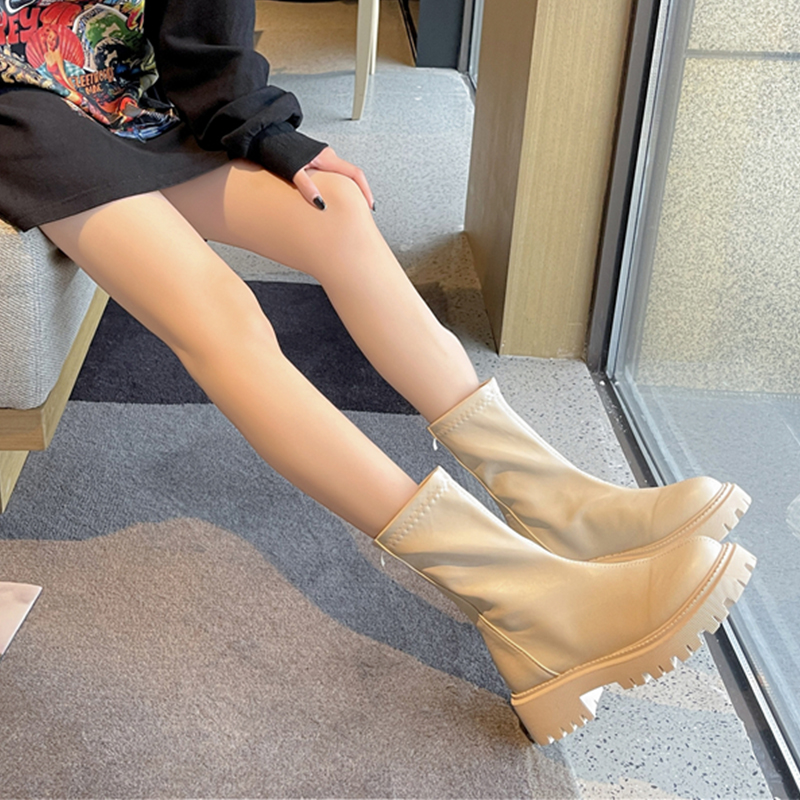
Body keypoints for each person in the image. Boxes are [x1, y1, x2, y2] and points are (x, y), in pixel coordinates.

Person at [0, 0, 756, 745]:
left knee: (336, 210)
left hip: (130, 91)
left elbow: (203, 23)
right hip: (22, 114)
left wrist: (264, 128)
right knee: (221, 313)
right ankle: (528, 601)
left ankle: (560, 504)